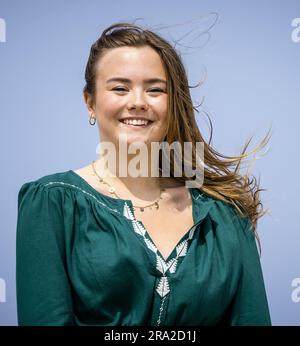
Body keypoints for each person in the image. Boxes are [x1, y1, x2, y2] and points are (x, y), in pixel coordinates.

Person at [16, 22, 272, 326]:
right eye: (120, 88)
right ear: (90, 102)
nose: (137, 102)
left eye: (155, 89)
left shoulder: (226, 214)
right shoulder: (51, 202)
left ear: (173, 102)